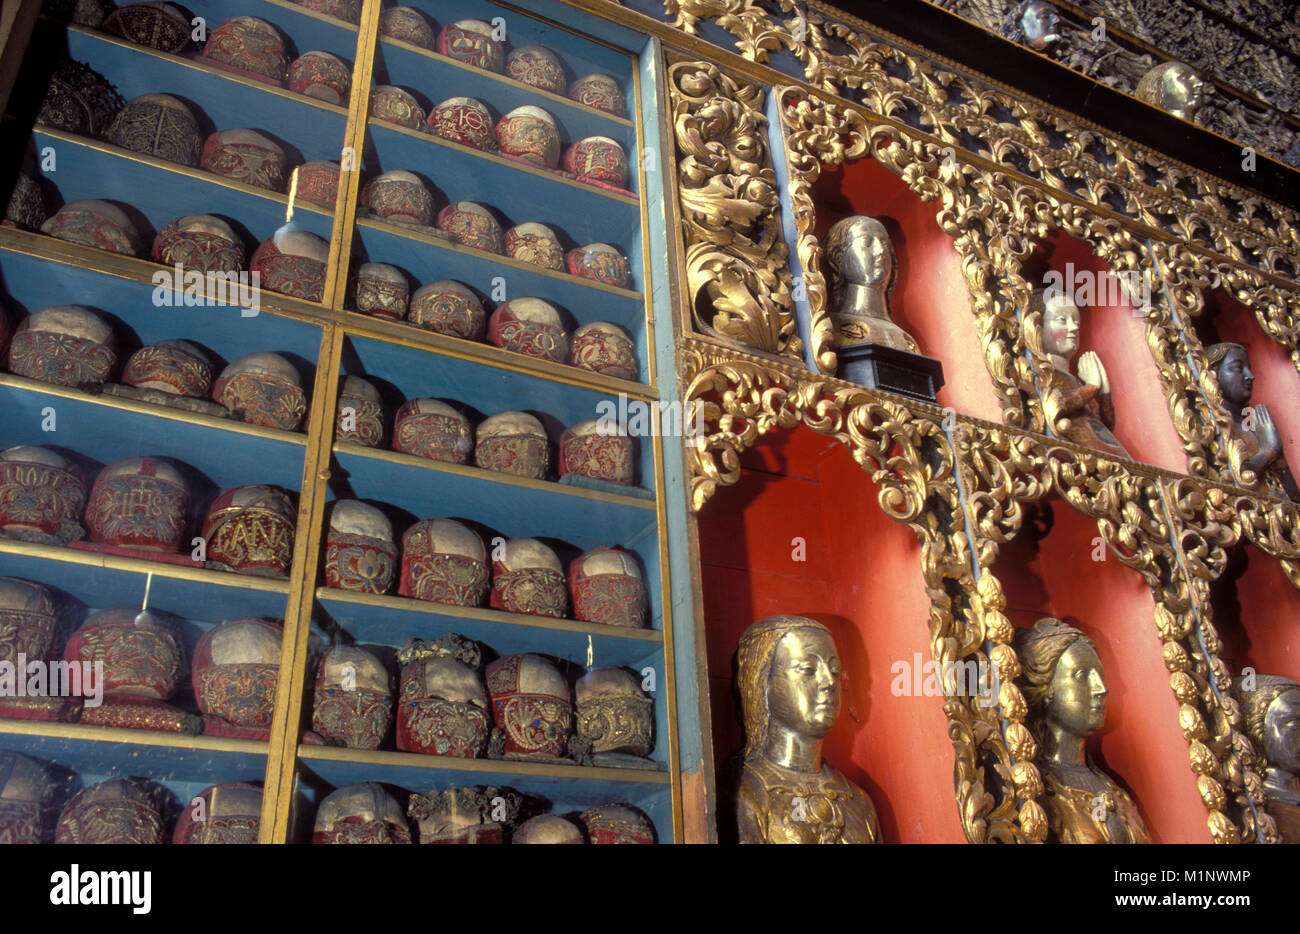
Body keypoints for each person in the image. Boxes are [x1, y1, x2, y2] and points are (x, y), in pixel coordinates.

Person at [734, 615, 880, 843]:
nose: (829, 682)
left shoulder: (859, 802)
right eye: (808, 669)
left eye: (834, 670)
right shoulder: (745, 792)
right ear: (763, 682)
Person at [1014, 618, 1151, 843]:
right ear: (1047, 688)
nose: (1101, 689)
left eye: (1100, 675)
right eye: (1081, 675)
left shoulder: (1113, 789)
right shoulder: (1034, 788)